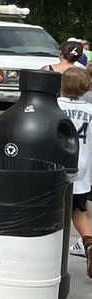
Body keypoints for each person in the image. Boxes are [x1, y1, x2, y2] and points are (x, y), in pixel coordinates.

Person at [56, 66, 92, 270]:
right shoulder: (90, 110)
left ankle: (54, 250)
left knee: (54, 211)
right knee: (79, 212)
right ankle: (89, 243)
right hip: (82, 169)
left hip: (58, 167)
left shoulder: (54, 107)